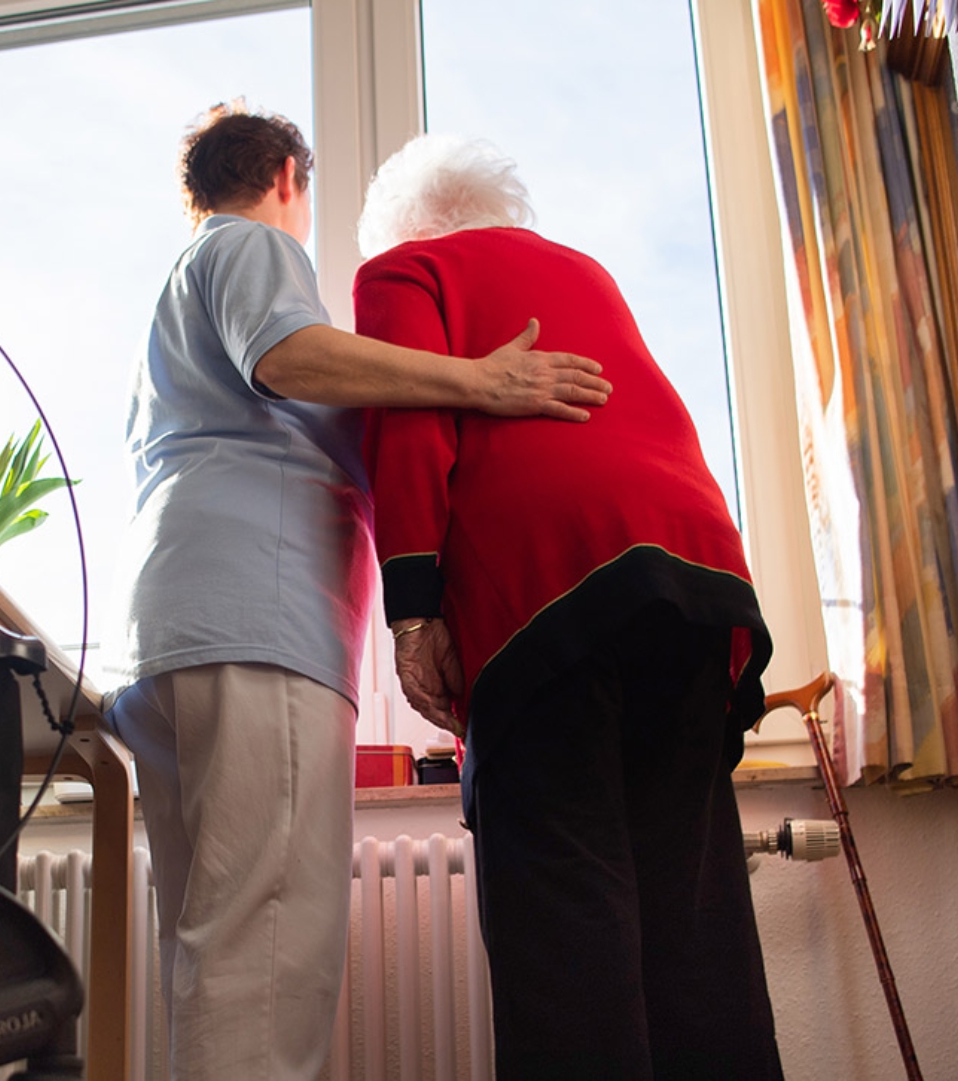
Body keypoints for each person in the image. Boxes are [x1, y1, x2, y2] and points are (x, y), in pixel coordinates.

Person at [104, 104, 612, 1081]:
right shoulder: (250, 245)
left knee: (215, 950)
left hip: (174, 632)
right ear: (291, 177)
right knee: (268, 957)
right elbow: (288, 354)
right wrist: (478, 380)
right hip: (254, 625)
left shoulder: (177, 301)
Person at [353, 132, 781, 1080]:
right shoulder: (583, 271)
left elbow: (410, 430)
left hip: (547, 595)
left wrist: (415, 609)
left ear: (399, 227)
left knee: (565, 925)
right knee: (694, 925)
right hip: (694, 586)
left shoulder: (402, 271)